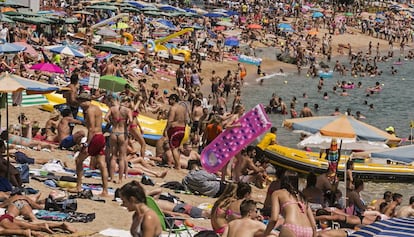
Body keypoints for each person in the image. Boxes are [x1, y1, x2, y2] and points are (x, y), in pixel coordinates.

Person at [72, 91, 109, 196]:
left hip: (94, 137)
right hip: (100, 136)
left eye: (80, 102)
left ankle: (78, 186)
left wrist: (87, 143)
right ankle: (105, 190)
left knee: (79, 160)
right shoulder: (97, 108)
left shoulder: (89, 111)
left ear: (85, 101)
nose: (80, 104)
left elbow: (92, 128)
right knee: (102, 164)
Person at [105, 95, 133, 184]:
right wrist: (127, 126)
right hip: (122, 133)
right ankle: (120, 179)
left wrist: (111, 122)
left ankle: (112, 177)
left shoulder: (112, 109)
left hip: (113, 132)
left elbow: (105, 118)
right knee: (121, 157)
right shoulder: (128, 110)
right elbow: (131, 120)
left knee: (113, 156)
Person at [164, 94, 187, 169]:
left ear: (173, 99)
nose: (168, 101)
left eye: (169, 99)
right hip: (183, 129)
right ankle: (177, 164)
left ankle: (177, 165)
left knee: (173, 148)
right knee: (177, 148)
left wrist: (165, 130)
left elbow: (170, 121)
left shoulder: (173, 108)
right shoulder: (183, 108)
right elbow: (186, 120)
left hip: (175, 129)